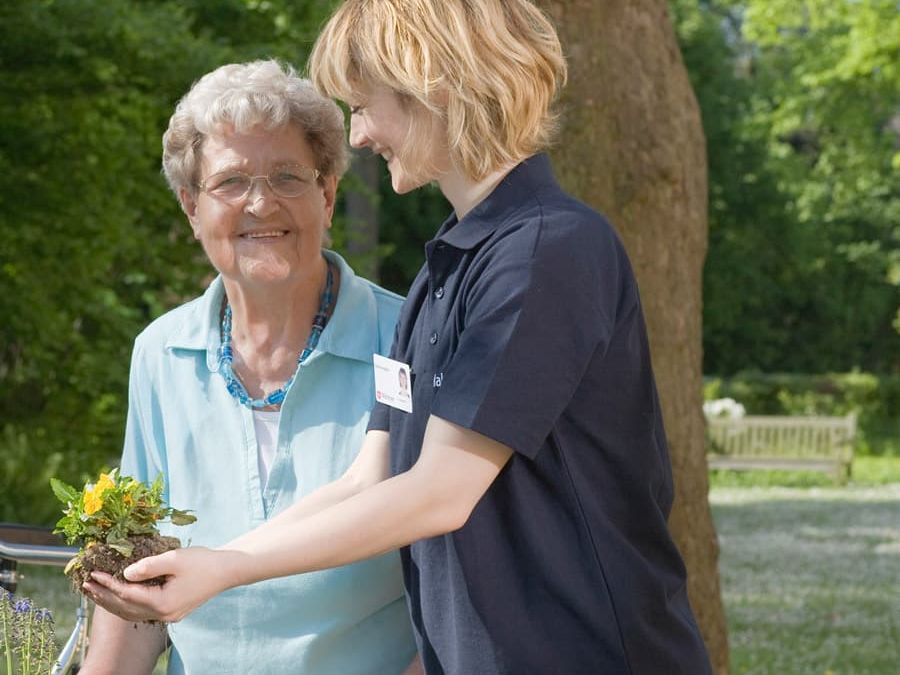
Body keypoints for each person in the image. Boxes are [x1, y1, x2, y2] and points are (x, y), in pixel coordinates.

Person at [85, 3, 715, 673]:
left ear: (434, 87)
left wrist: (231, 568)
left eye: (364, 105)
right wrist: (214, 564)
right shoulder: (441, 276)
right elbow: (372, 476)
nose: (359, 136)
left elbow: (440, 491)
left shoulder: (547, 251)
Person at [79, 60, 419, 675]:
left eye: (288, 177)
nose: (261, 203)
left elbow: (466, 588)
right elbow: (136, 587)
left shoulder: (407, 342)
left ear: (328, 195)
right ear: (191, 207)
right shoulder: (160, 355)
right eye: (231, 182)